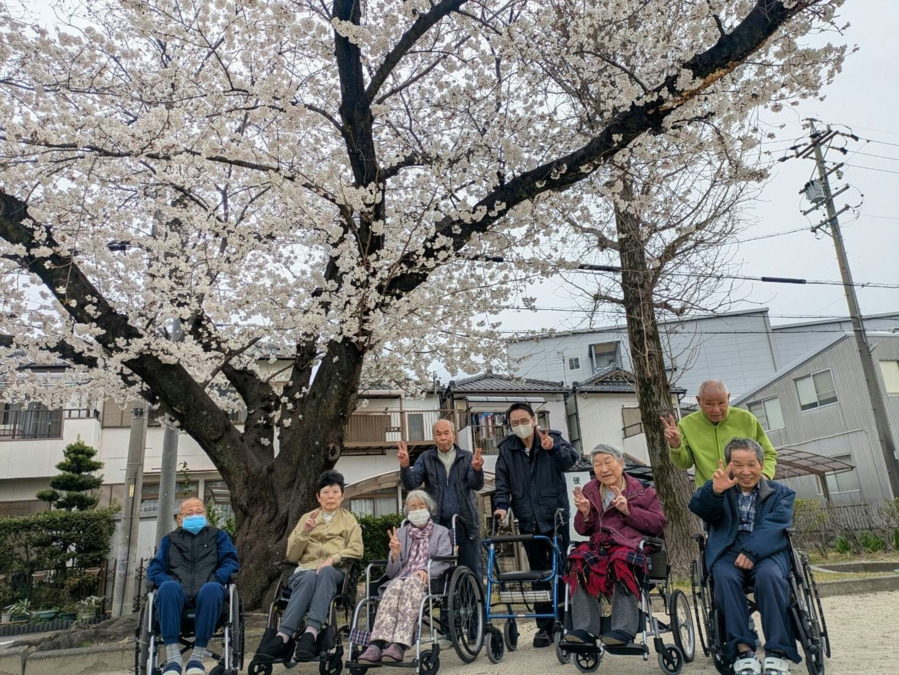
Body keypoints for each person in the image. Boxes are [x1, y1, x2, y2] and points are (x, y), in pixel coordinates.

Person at [689, 438, 800, 675]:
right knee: (724, 578)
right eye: (738, 465)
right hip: (727, 550)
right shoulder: (720, 488)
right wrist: (715, 491)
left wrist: (751, 551)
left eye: (751, 464)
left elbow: (775, 526)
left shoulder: (781, 494)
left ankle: (777, 651)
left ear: (761, 464)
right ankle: (742, 650)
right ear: (729, 465)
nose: (745, 471)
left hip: (768, 551)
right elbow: (699, 508)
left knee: (770, 577)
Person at [492, 402, 580, 647]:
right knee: (538, 574)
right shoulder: (507, 449)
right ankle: (545, 627)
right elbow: (502, 484)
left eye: (524, 420)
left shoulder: (552, 439)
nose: (520, 426)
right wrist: (502, 506)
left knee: (561, 569)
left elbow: (570, 461)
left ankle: (567, 621)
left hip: (554, 516)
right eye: (514, 423)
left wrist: (552, 450)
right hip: (528, 520)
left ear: (533, 420)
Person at [253, 470, 363, 664]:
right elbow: (292, 555)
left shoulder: (349, 520)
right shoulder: (307, 518)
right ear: (318, 497)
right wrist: (305, 532)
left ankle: (310, 633)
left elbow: (357, 549)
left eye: (336, 492)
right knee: (309, 576)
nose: (331, 496)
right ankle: (283, 637)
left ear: (342, 496)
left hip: (333, 574)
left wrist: (333, 558)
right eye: (326, 492)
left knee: (326, 571)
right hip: (305, 573)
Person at [564, 444, 666, 647]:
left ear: (621, 463)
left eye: (608, 462)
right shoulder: (590, 490)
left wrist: (628, 511)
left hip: (629, 545)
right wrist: (585, 513)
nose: (603, 469)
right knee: (579, 560)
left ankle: (623, 629)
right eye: (598, 464)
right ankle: (585, 628)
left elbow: (658, 523)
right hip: (599, 548)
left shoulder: (642, 491)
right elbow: (582, 530)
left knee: (621, 561)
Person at [356, 490, 454, 664]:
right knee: (393, 586)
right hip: (401, 579)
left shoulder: (441, 532)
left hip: (428, 581)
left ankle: (398, 645)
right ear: (407, 511)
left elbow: (446, 561)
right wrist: (394, 555)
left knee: (410, 584)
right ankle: (376, 644)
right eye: (412, 507)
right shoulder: (401, 533)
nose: (417, 510)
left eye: (421, 505)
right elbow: (392, 573)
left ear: (428, 508)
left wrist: (426, 570)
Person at [147, 498, 240, 675]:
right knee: (167, 588)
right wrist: (169, 581)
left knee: (212, 589)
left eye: (199, 512)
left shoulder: (218, 536)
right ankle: (173, 660)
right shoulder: (170, 540)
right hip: (177, 596)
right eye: (189, 514)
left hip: (209, 594)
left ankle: (197, 659)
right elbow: (155, 570)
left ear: (206, 515)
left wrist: (216, 579)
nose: (195, 515)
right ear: (180, 519)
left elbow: (230, 562)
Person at [398, 419, 484, 579]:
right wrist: (404, 466)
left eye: (446, 433)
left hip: (465, 524)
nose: (443, 437)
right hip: (436, 526)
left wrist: (477, 470)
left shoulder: (467, 457)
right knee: (440, 570)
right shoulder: (425, 458)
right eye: (439, 434)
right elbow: (411, 483)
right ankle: (447, 603)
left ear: (453, 435)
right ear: (434, 437)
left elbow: (476, 485)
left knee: (471, 570)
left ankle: (474, 603)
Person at [662, 379, 777, 489]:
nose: (716, 409)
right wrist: (676, 446)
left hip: (745, 492)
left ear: (728, 398)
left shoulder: (746, 419)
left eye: (721, 403)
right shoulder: (686, 425)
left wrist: (764, 476)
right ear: (699, 401)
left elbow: (768, 454)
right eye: (709, 404)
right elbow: (684, 464)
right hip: (710, 495)